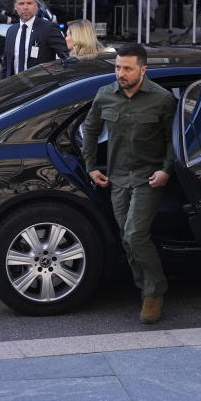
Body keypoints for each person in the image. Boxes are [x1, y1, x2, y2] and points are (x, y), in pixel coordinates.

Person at [81, 44, 176, 324]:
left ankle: (154, 291)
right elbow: (91, 129)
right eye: (117, 67)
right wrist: (90, 167)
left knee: (135, 234)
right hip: (118, 177)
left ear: (143, 70)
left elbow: (174, 141)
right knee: (126, 237)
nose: (120, 73)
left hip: (148, 178)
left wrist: (166, 171)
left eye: (127, 68)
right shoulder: (105, 95)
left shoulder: (162, 99)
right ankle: (142, 286)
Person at [1, 0, 68, 78]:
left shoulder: (48, 28)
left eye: (29, 3)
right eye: (21, 3)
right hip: (15, 88)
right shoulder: (11, 31)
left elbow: (65, 57)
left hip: (41, 87)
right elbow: (6, 66)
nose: (25, 7)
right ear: (15, 6)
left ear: (36, 5)